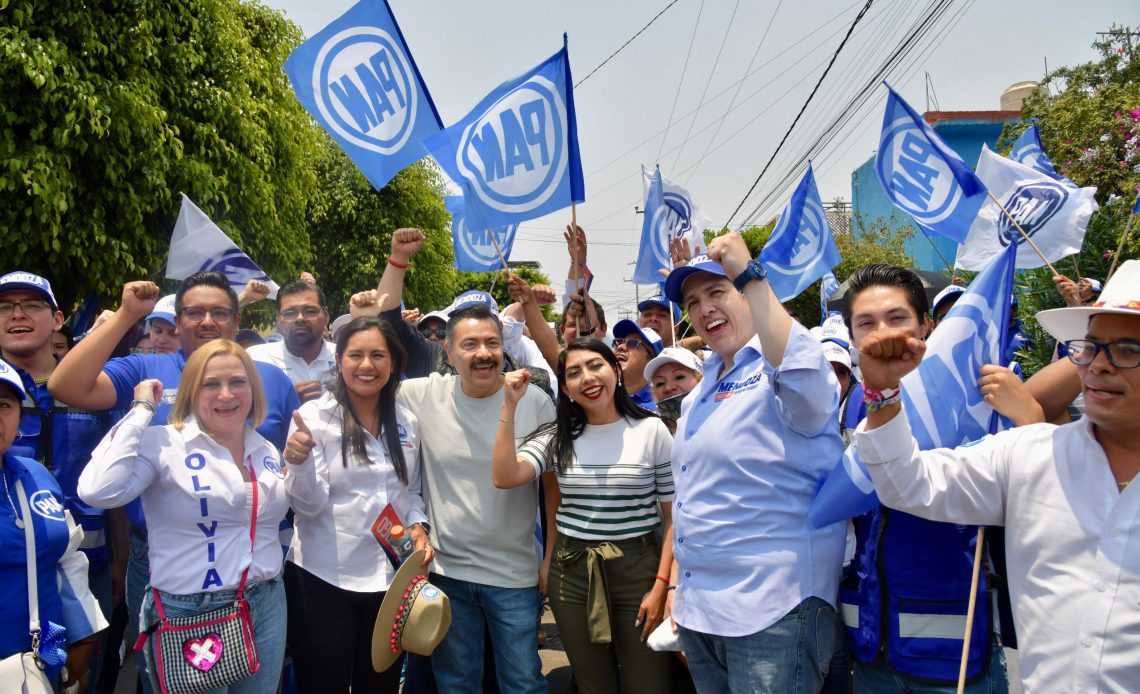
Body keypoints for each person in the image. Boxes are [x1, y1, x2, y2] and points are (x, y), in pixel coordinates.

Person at [852, 259, 1140, 693]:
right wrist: (883, 395)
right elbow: (905, 484)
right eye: (1088, 347)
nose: (1097, 366)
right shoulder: (1032, 454)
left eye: (1127, 350)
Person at [48, 273, 298, 693]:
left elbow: (290, 464)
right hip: (164, 565)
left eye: (220, 312)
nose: (207, 321)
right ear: (175, 321)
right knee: (162, 681)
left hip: (259, 582)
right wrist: (128, 315)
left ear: (237, 321)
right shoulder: (147, 368)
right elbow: (64, 386)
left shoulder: (269, 379)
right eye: (194, 312)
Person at [362, 227, 556, 693]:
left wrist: (548, 561)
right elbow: (386, 330)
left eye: (491, 343)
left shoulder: (534, 400)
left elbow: (553, 493)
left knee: (523, 682)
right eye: (469, 345)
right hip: (447, 576)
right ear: (447, 351)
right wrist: (397, 260)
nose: (482, 353)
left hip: (515, 578)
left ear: (504, 348)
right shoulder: (422, 395)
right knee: (456, 683)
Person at [663, 235, 846, 692]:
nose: (704, 310)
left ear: (747, 293)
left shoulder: (783, 366)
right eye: (693, 302)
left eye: (717, 292)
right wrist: (677, 592)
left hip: (773, 612)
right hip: (702, 611)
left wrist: (749, 272)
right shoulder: (702, 386)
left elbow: (804, 378)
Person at [837, 264, 1009, 692]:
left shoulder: (974, 385)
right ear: (851, 337)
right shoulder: (853, 399)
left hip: (954, 646)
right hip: (870, 644)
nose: (883, 333)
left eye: (897, 319)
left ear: (927, 324)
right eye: (866, 323)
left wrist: (1027, 417)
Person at [492, 340, 676, 693]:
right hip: (572, 572)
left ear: (616, 370)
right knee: (593, 684)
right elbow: (504, 476)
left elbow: (673, 519)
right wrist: (509, 405)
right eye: (574, 373)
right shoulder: (558, 435)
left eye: (596, 366)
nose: (587, 378)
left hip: (639, 572)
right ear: (566, 388)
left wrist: (662, 585)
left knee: (649, 682)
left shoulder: (652, 430)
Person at [281, 316, 433, 693]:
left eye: (378, 355)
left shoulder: (407, 422)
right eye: (357, 355)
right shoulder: (314, 419)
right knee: (323, 683)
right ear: (340, 360)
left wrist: (419, 526)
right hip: (321, 578)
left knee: (379, 685)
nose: (367, 366)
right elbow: (308, 508)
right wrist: (297, 464)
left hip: (389, 580)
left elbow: (410, 492)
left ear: (394, 363)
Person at [0, 271, 116, 686]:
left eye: (31, 305)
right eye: (4, 306)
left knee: (80, 677)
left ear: (58, 319)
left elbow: (117, 476)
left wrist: (120, 565)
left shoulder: (95, 385)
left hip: (93, 567)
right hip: (11, 579)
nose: (17, 315)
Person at [246, 279, 336, 403]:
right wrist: (287, 400)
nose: (300, 318)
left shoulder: (344, 356)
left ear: (325, 315)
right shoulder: (256, 358)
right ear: (278, 319)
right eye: (290, 313)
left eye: (310, 311)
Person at [610, 320, 663, 413]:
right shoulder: (598, 397)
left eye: (633, 343)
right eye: (619, 342)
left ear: (651, 360)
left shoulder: (661, 408)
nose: (620, 347)